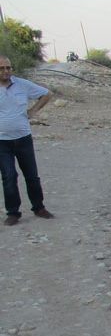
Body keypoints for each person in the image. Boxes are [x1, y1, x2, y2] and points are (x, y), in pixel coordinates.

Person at [0, 55, 53, 226]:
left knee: (32, 175)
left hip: (23, 139)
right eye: (1, 68)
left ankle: (39, 207)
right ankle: (13, 213)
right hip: (2, 142)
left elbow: (46, 94)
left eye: (8, 67)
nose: (6, 71)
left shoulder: (22, 84)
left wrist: (34, 111)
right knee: (9, 176)